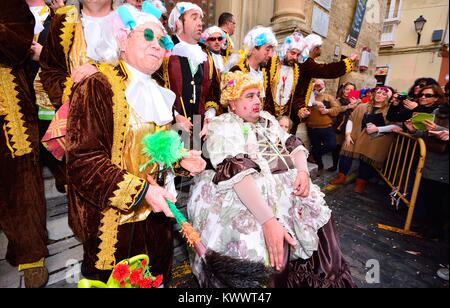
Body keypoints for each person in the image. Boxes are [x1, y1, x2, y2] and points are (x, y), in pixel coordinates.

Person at [65, 4, 206, 282]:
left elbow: (153, 151)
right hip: (114, 228)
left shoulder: (160, 93)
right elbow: (84, 162)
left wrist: (179, 160)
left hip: (157, 224)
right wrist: (142, 192)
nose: (158, 45)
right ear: (122, 39)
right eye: (148, 36)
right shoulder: (98, 84)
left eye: (163, 39)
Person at [187, 71, 356, 288]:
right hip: (249, 195)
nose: (257, 101)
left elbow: (291, 144)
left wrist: (303, 172)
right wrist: (267, 220)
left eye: (258, 95)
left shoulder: (267, 119)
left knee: (315, 233)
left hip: (287, 189)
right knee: (263, 257)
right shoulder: (223, 125)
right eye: (249, 96)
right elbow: (238, 174)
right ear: (232, 103)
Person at [0, 0, 49, 288]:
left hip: (8, 103)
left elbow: (19, 41)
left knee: (21, 181)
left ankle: (31, 255)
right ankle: (17, 245)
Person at [155, 2, 220, 141]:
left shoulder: (206, 54)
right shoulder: (165, 50)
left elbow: (213, 92)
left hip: (200, 132)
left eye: (201, 19)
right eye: (194, 18)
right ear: (179, 22)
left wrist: (209, 118)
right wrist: (175, 116)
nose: (200, 23)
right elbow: (155, 88)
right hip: (171, 130)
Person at [330, 87, 402, 193]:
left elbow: (396, 126)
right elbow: (351, 119)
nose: (379, 95)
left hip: (376, 139)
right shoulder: (362, 106)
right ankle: (341, 176)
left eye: (383, 94)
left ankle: (360, 183)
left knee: (367, 160)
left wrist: (377, 128)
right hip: (355, 135)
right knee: (345, 154)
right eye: (378, 92)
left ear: (388, 97)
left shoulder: (391, 111)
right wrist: (348, 134)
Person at [404, 85, 448, 239]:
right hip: (430, 158)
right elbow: (425, 133)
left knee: (439, 199)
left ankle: (436, 230)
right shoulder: (438, 111)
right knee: (427, 195)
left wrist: (442, 130)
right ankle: (425, 226)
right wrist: (412, 130)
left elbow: (442, 131)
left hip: (444, 164)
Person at [294, 34, 358, 137]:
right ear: (315, 48)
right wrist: (348, 61)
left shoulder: (305, 62)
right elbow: (326, 70)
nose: (320, 50)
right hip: (295, 107)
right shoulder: (306, 62)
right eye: (319, 47)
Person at [300, 79, 354, 176]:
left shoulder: (328, 97)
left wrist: (327, 111)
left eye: (321, 84)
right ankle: (320, 166)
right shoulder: (307, 97)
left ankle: (314, 154)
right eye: (317, 84)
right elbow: (301, 108)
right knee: (316, 146)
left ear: (325, 85)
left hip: (327, 127)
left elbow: (337, 109)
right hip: (312, 128)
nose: (319, 85)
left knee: (332, 145)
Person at [263, 32, 305, 134]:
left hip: (286, 117)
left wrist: (301, 110)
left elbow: (297, 95)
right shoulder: (271, 63)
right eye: (292, 53)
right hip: (268, 112)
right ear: (285, 50)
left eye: (297, 54)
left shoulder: (297, 70)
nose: (295, 57)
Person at [227, 26, 278, 103]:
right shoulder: (236, 71)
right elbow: (229, 100)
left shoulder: (265, 73)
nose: (270, 54)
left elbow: (268, 104)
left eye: (271, 50)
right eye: (267, 50)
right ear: (253, 49)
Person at [329, 82, 359, 171]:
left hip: (351, 127)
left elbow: (359, 113)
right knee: (336, 147)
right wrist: (348, 106)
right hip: (338, 126)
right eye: (347, 89)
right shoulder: (337, 100)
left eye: (352, 90)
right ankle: (334, 165)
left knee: (347, 148)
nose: (349, 91)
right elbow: (336, 110)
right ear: (343, 90)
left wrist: (354, 106)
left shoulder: (358, 101)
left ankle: (343, 171)